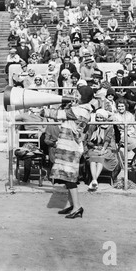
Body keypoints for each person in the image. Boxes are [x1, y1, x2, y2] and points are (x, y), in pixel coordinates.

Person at [40, 86, 94, 218]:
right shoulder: (84, 110)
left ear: (82, 96)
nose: (74, 95)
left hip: (70, 147)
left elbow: (57, 115)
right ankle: (71, 205)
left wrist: (41, 111)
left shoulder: (78, 110)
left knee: (69, 178)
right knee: (66, 176)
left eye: (77, 93)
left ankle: (77, 207)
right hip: (70, 145)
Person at [84, 109, 119, 191]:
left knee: (101, 158)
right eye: (97, 117)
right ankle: (95, 180)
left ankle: (94, 180)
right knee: (93, 158)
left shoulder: (109, 127)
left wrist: (103, 149)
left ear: (104, 118)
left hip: (106, 148)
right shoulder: (92, 126)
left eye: (100, 118)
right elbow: (88, 140)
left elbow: (107, 140)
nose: (98, 119)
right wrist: (95, 147)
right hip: (94, 147)